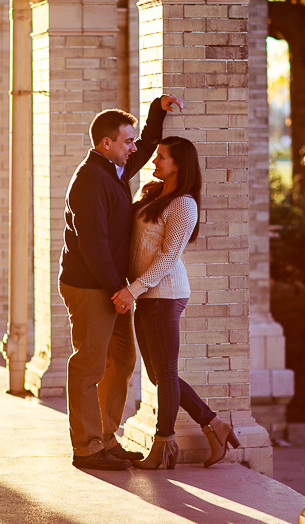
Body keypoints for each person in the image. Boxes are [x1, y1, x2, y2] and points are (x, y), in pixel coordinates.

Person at [60, 94, 183, 472]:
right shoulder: (90, 180)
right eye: (126, 141)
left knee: (123, 360)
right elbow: (92, 244)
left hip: (109, 286)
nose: (134, 149)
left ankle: (105, 437)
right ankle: (86, 448)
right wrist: (120, 291)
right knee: (89, 365)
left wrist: (155, 114)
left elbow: (145, 148)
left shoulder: (112, 169)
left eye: (131, 141)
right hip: (90, 285)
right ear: (106, 143)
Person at [111, 136, 240, 470]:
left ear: (179, 164)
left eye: (161, 158)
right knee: (158, 375)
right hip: (148, 294)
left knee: (165, 372)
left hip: (164, 295)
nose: (155, 162)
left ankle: (163, 446)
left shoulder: (184, 204)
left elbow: (169, 257)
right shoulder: (154, 193)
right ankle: (214, 424)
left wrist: (133, 290)